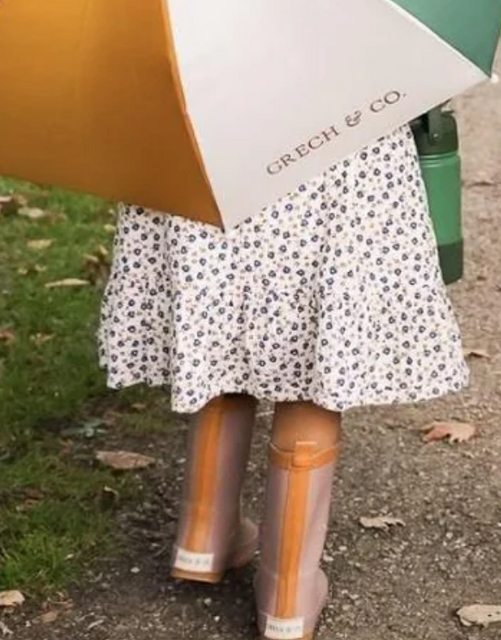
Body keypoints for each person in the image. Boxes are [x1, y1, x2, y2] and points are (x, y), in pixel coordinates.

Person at [99, 126, 466, 640]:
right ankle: (286, 590)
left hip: (208, 128)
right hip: (338, 126)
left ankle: (203, 534)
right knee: (307, 340)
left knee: (221, 303)